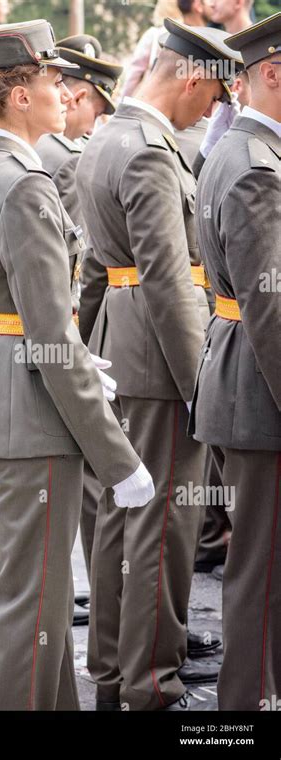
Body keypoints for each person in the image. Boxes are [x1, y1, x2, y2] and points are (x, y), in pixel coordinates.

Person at [0, 19, 154, 711]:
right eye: (52, 80)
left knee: (39, 619)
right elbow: (52, 338)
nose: (64, 92)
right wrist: (120, 462)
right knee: (34, 625)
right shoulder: (25, 183)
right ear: (20, 96)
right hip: (29, 423)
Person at [76, 19, 241, 711]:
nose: (211, 113)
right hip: (159, 363)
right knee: (162, 528)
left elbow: (92, 268)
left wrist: (85, 349)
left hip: (119, 350)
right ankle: (151, 683)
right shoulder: (146, 150)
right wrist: (202, 382)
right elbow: (173, 282)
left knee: (122, 517)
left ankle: (114, 669)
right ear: (193, 76)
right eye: (211, 98)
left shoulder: (107, 137)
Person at [191, 11, 281, 710]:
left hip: (241, 380)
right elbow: (270, 308)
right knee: (262, 572)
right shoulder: (255, 168)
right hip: (262, 392)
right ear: (272, 73)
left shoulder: (239, 152)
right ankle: (243, 713)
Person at [36, 34, 123, 598]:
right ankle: (93, 587)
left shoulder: (51, 154)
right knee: (89, 477)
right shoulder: (62, 160)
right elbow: (77, 263)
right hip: (62, 331)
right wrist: (82, 339)